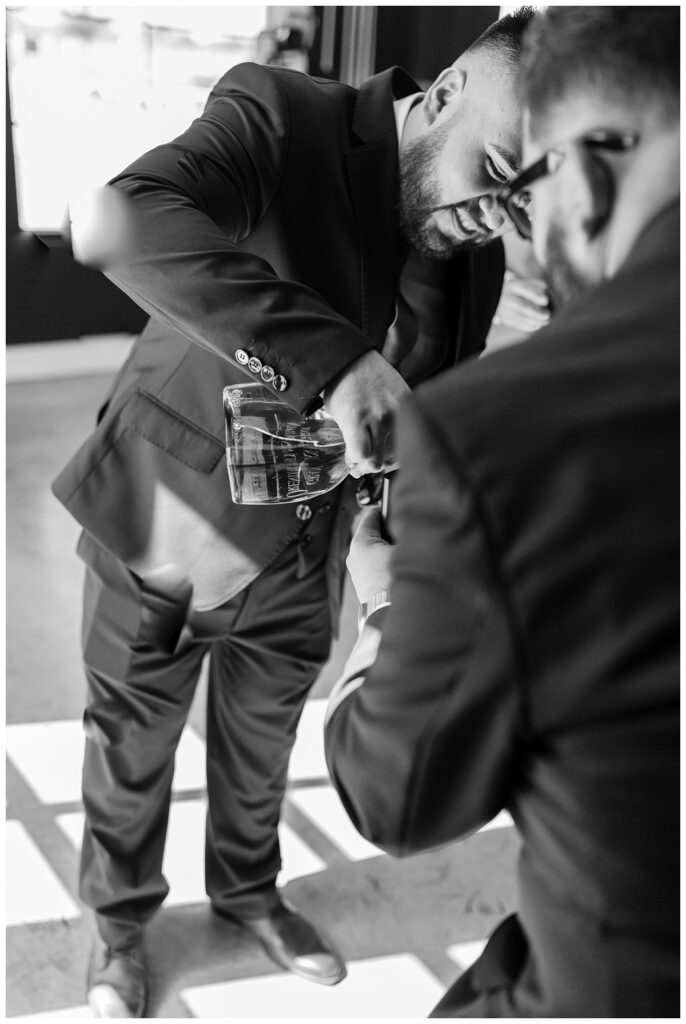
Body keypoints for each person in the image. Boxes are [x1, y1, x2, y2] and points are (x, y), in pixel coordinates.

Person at [52, 8, 535, 1018]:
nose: (497, 210)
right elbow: (122, 216)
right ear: (444, 93)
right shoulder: (282, 117)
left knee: (262, 743)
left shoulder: (471, 243)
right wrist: (334, 360)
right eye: (496, 165)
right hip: (170, 518)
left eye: (523, 196)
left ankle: (247, 894)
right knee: (131, 745)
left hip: (317, 541)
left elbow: (427, 397)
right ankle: (120, 928)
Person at [324, 6, 679, 1017]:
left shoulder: (500, 441)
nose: (512, 215)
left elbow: (395, 793)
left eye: (527, 179)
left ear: (588, 167)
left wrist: (386, 609)